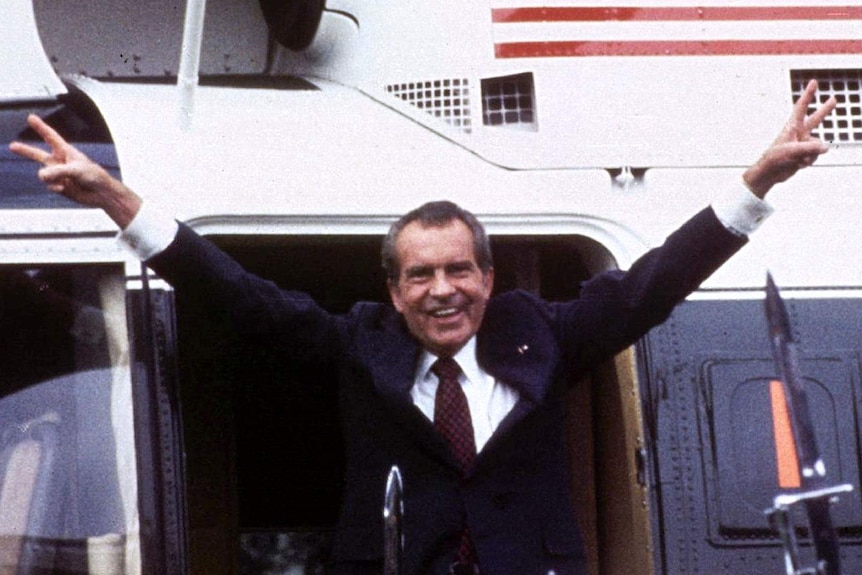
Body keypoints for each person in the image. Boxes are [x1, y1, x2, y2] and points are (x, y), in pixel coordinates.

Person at [10, 80, 836, 575]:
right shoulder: (357, 345)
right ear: (394, 291)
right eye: (421, 275)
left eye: (459, 270)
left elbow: (656, 282)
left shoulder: (544, 335)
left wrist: (757, 180)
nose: (444, 291)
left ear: (488, 275)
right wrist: (119, 200)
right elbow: (237, 295)